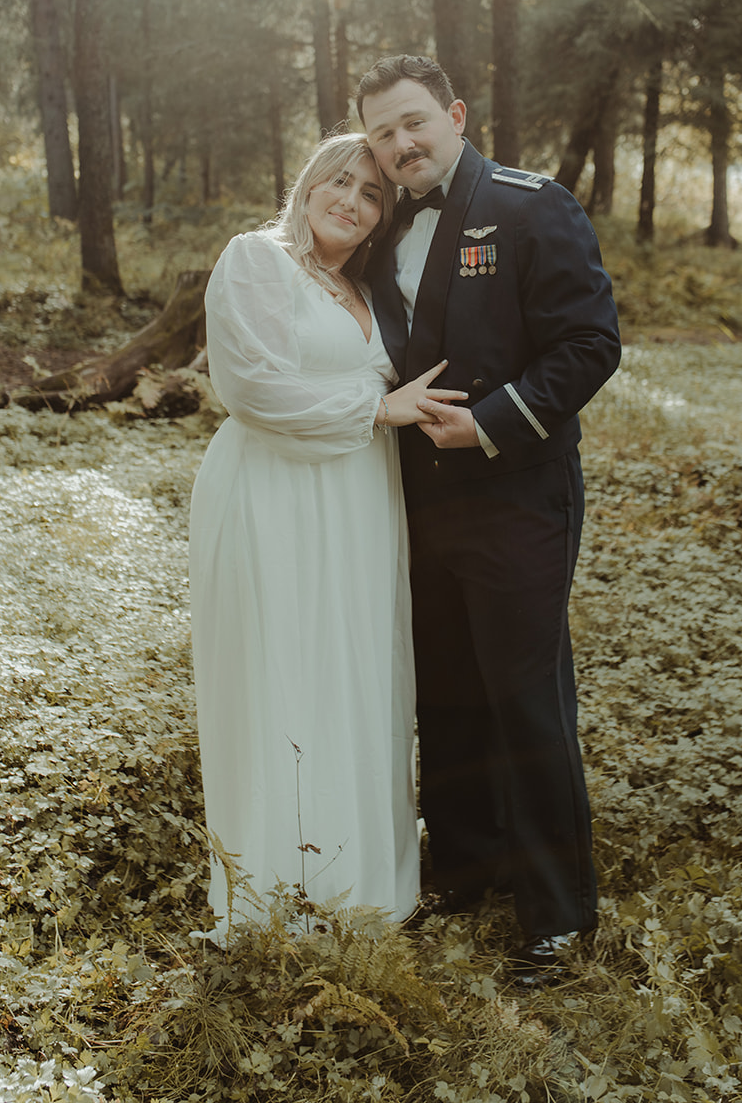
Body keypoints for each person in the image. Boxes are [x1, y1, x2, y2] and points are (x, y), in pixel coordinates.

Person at [357, 54, 621, 984]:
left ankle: (556, 916)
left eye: (414, 122)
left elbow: (591, 342)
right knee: (446, 692)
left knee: (525, 696)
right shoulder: (376, 223)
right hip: (412, 500)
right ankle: (465, 871)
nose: (401, 145)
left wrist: (495, 423)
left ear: (455, 114)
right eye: (383, 132)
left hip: (516, 494)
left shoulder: (529, 204)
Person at [188, 132, 465, 938]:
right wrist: (377, 408)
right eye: (336, 182)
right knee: (280, 670)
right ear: (307, 185)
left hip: (356, 497)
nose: (349, 200)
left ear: (382, 217)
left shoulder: (366, 288)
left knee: (355, 668)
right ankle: (273, 893)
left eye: (371, 193)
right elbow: (254, 389)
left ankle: (358, 886)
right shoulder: (256, 260)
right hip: (274, 489)